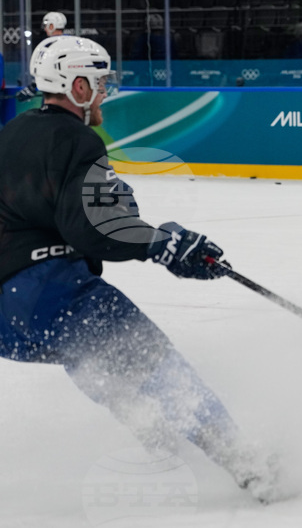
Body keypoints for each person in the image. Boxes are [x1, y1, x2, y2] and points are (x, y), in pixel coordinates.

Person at [0, 36, 280, 502]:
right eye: (101, 82)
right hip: (48, 290)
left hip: (6, 321)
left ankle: (161, 443)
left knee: (91, 358)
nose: (106, 90)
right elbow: (95, 225)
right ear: (78, 85)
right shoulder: (76, 139)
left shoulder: (10, 133)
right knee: (153, 361)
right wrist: (167, 244)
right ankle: (247, 463)